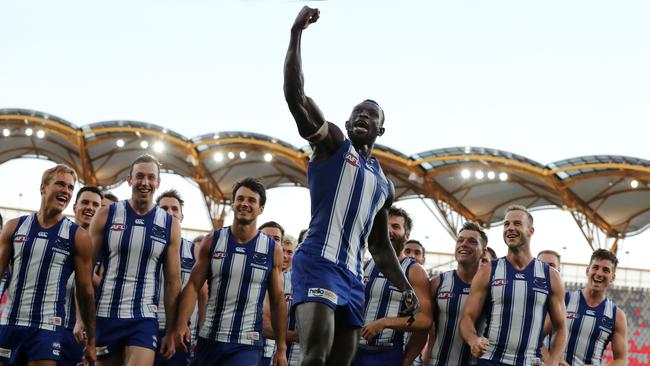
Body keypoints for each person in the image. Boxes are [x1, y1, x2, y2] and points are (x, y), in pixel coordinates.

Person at [284, 6, 418, 365]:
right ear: (347, 121)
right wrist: (296, 35)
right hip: (317, 262)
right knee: (315, 357)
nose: (363, 115)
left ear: (381, 129)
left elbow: (379, 244)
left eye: (371, 114)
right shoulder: (334, 146)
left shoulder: (383, 185)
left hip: (352, 276)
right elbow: (296, 98)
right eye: (358, 111)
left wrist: (405, 286)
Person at [174, 178, 287, 366]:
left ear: (261, 209)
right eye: (240, 199)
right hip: (209, 339)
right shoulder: (212, 240)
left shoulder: (271, 249)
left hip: (246, 344)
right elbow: (194, 285)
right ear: (233, 204)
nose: (244, 203)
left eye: (251, 200)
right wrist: (181, 323)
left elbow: (277, 299)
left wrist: (281, 348)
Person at [90, 154, 181, 366]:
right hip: (106, 314)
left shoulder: (169, 224)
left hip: (144, 317)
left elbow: (172, 282)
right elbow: (85, 271)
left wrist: (170, 330)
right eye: (140, 176)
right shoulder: (106, 215)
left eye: (151, 177)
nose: (145, 183)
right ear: (129, 179)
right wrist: (81, 319)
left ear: (158, 182)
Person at [0, 164, 96, 365]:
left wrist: (92, 340)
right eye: (60, 184)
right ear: (43, 187)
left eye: (70, 188)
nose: (66, 191)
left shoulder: (77, 236)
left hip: (47, 327)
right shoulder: (14, 227)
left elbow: (85, 291)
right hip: (9, 323)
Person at [460, 205, 567, 366]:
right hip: (491, 360)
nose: (510, 228)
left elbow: (561, 327)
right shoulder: (488, 271)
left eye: (517, 224)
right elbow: (467, 318)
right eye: (506, 224)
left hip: (530, 361)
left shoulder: (550, 275)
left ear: (530, 231)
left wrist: (552, 361)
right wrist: (473, 339)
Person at [353, 207, 431, 366]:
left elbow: (425, 320)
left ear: (407, 235)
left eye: (396, 226)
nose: (389, 230)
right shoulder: (364, 266)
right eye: (385, 225)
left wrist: (385, 322)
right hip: (354, 351)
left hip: (386, 353)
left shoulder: (414, 271)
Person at [407, 222, 488, 366]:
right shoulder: (438, 283)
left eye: (472, 241)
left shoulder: (491, 288)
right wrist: (408, 361)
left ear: (483, 251)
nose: (464, 244)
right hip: (436, 362)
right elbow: (422, 330)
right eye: (460, 240)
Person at [154, 189, 206, 366]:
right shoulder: (144, 245)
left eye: (175, 209)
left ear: (182, 215)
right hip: (145, 327)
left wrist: (201, 334)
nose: (170, 213)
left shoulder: (195, 251)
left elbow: (203, 294)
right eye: (164, 208)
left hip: (179, 333)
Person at [559, 249, 627, 366]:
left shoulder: (617, 315)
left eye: (606, 270)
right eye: (595, 267)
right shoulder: (564, 300)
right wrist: (552, 360)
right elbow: (538, 336)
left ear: (612, 278)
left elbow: (621, 359)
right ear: (587, 270)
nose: (599, 273)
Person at [61, 185, 103, 366]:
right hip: (51, 325)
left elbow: (107, 286)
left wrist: (85, 273)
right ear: (74, 207)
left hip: (85, 331)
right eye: (85, 202)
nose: (90, 208)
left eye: (96, 204)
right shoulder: (57, 236)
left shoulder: (107, 248)